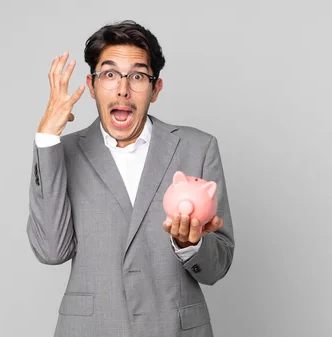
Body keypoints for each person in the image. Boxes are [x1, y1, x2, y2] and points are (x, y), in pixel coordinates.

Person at [26, 20, 235, 337]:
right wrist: (47, 139)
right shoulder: (62, 153)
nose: (123, 88)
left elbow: (216, 267)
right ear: (93, 85)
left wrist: (189, 244)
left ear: (155, 89)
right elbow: (52, 251)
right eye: (110, 74)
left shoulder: (198, 148)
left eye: (137, 76)